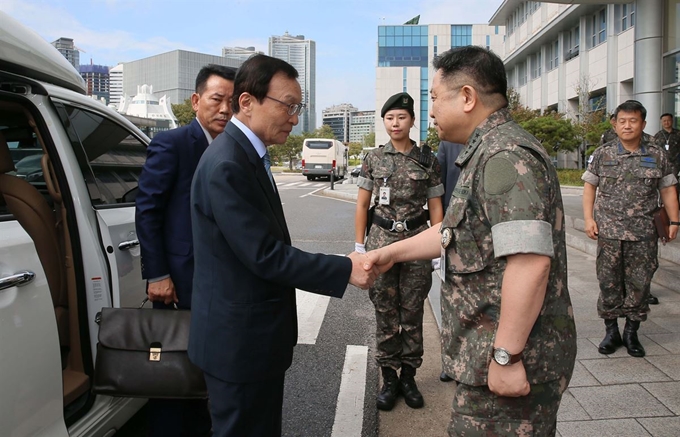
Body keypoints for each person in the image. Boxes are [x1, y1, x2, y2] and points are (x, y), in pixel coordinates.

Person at [364, 46, 577, 436]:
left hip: (510, 363)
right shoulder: (483, 152)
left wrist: (506, 356)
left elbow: (530, 262)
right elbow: (451, 233)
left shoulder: (505, 155)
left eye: (433, 99)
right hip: (486, 360)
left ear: (466, 97)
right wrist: (387, 253)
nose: (429, 112)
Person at [188, 54, 377, 437]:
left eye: (298, 107)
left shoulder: (248, 156)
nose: (294, 117)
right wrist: (345, 268)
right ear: (247, 102)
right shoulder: (228, 164)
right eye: (288, 106)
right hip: (238, 345)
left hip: (253, 340)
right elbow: (264, 254)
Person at [135, 64, 236, 437]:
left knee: (207, 371)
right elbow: (148, 210)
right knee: (173, 369)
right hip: (180, 283)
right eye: (216, 99)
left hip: (221, 284)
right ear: (196, 101)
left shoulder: (233, 149)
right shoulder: (173, 143)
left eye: (231, 101)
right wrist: (157, 273)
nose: (225, 109)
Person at [354, 92, 444, 411]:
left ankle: (409, 375)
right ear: (384, 122)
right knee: (385, 308)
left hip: (418, 239)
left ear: (412, 121)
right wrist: (358, 244)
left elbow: (435, 205)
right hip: (381, 239)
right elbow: (363, 204)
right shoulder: (373, 159)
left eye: (401, 117)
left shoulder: (427, 159)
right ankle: (388, 376)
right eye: (390, 118)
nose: (395, 123)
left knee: (413, 308)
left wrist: (439, 247)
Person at [583, 100, 679, 358]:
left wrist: (674, 221)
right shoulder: (603, 153)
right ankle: (611, 331)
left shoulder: (657, 153)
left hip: (643, 233)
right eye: (622, 121)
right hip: (610, 232)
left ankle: (631, 332)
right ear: (615, 124)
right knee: (609, 282)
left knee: (640, 283)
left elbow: (668, 189)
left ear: (643, 124)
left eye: (633, 120)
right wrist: (588, 219)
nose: (627, 126)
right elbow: (590, 186)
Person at [435, 140, 465, 383]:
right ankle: (452, 360)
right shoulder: (448, 145)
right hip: (453, 233)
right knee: (451, 298)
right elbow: (440, 186)